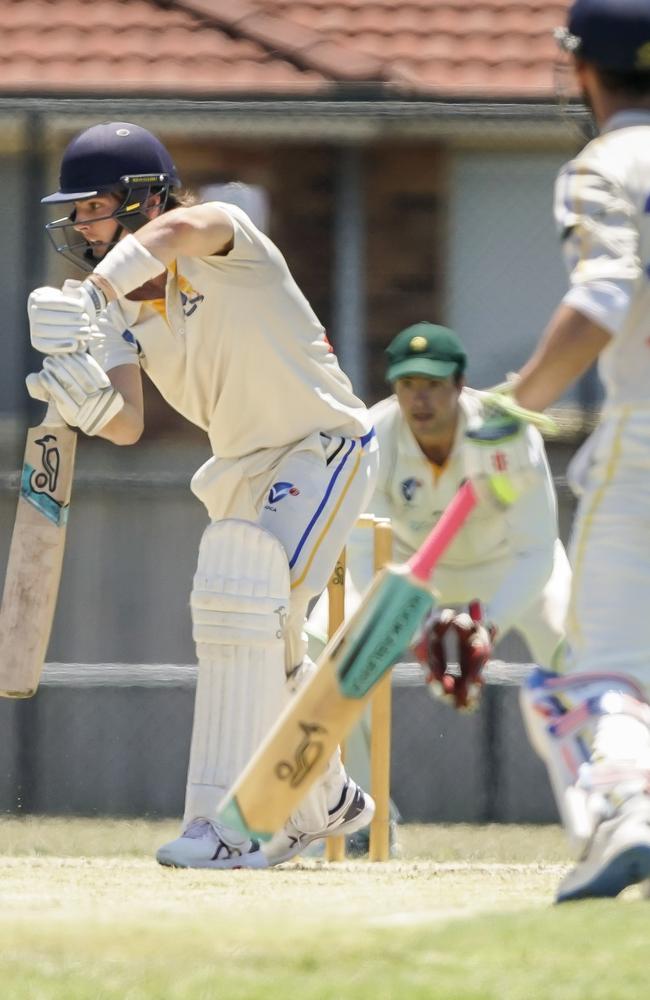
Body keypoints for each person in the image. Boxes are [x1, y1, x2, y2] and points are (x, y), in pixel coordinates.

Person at [27, 121, 379, 869]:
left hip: (322, 445)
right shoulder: (120, 310)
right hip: (243, 468)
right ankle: (327, 796)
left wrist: (91, 293)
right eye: (77, 212)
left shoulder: (226, 238)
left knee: (244, 602)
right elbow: (128, 424)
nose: (82, 226)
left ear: (142, 200)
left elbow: (186, 226)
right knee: (257, 634)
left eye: (94, 207)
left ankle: (238, 824)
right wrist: (86, 403)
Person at [504, 0, 650, 902]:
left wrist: (511, 405)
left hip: (643, 452)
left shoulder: (607, 163)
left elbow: (604, 299)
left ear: (582, 68)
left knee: (585, 680)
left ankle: (629, 811)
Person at [307, 322, 571, 819]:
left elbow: (536, 551)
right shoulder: (375, 436)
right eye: (408, 385)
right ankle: (360, 814)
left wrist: (486, 625)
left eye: (432, 385)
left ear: (458, 384)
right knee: (320, 646)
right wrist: (418, 624)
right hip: (412, 574)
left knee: (577, 651)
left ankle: (612, 805)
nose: (419, 399)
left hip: (508, 569)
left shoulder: (504, 433)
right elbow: (364, 554)